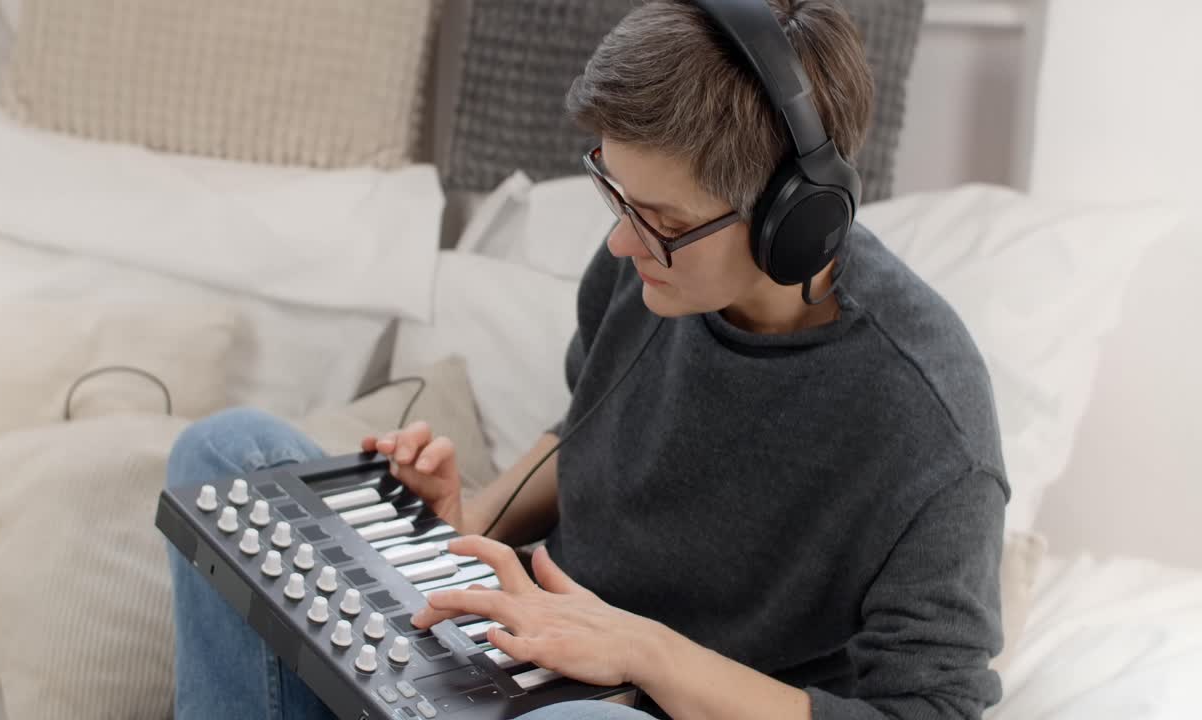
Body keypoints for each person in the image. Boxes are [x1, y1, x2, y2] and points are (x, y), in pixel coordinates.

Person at [166, 1, 1008, 718]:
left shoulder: (931, 424)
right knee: (226, 454)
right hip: (521, 645)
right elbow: (590, 429)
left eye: (660, 221)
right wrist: (464, 522)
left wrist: (641, 651)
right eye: (614, 193)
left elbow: (927, 709)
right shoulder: (645, 272)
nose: (618, 240)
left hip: (642, 705)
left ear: (798, 223)